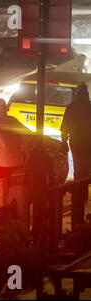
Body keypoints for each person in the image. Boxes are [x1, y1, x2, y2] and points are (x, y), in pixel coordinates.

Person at [61, 81, 91, 226]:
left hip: (77, 143)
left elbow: (64, 128)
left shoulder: (72, 107)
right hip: (87, 143)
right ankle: (83, 193)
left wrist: (63, 143)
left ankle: (80, 194)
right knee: (86, 168)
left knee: (79, 168)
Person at [0, 98, 32, 181]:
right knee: (14, 184)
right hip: (17, 160)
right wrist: (25, 151)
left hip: (2, 162)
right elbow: (26, 135)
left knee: (3, 185)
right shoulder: (14, 120)